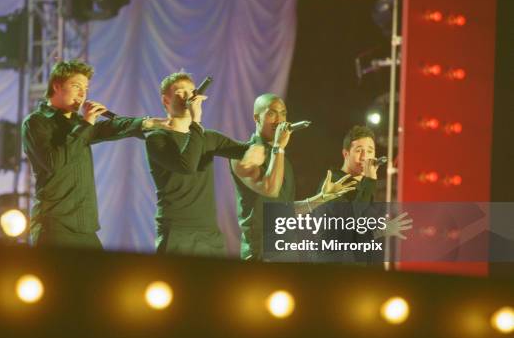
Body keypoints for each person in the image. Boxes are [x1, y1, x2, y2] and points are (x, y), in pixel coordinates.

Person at [22, 60, 165, 249]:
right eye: (76, 86)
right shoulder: (36, 123)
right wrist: (86, 124)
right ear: (57, 86)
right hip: (54, 226)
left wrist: (147, 123)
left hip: (85, 227)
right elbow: (54, 162)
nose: (82, 93)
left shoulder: (78, 123)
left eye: (86, 88)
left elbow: (109, 127)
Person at [144, 72, 264, 257]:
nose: (187, 96)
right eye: (180, 92)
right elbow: (187, 165)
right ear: (165, 101)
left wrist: (263, 143)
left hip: (209, 233)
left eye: (191, 91)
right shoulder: (157, 138)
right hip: (176, 232)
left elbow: (247, 149)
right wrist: (196, 121)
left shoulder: (208, 137)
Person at [230, 94, 357, 261]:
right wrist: (278, 148)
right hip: (261, 253)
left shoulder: (283, 161)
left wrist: (322, 197)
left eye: (283, 113)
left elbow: (284, 210)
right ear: (256, 118)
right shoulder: (242, 153)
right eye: (271, 113)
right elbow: (270, 189)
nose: (280, 119)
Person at [311, 125, 412, 263]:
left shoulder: (363, 187)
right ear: (346, 154)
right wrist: (369, 180)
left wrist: (383, 230)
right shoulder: (334, 183)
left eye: (370, 151)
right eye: (359, 151)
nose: (365, 157)